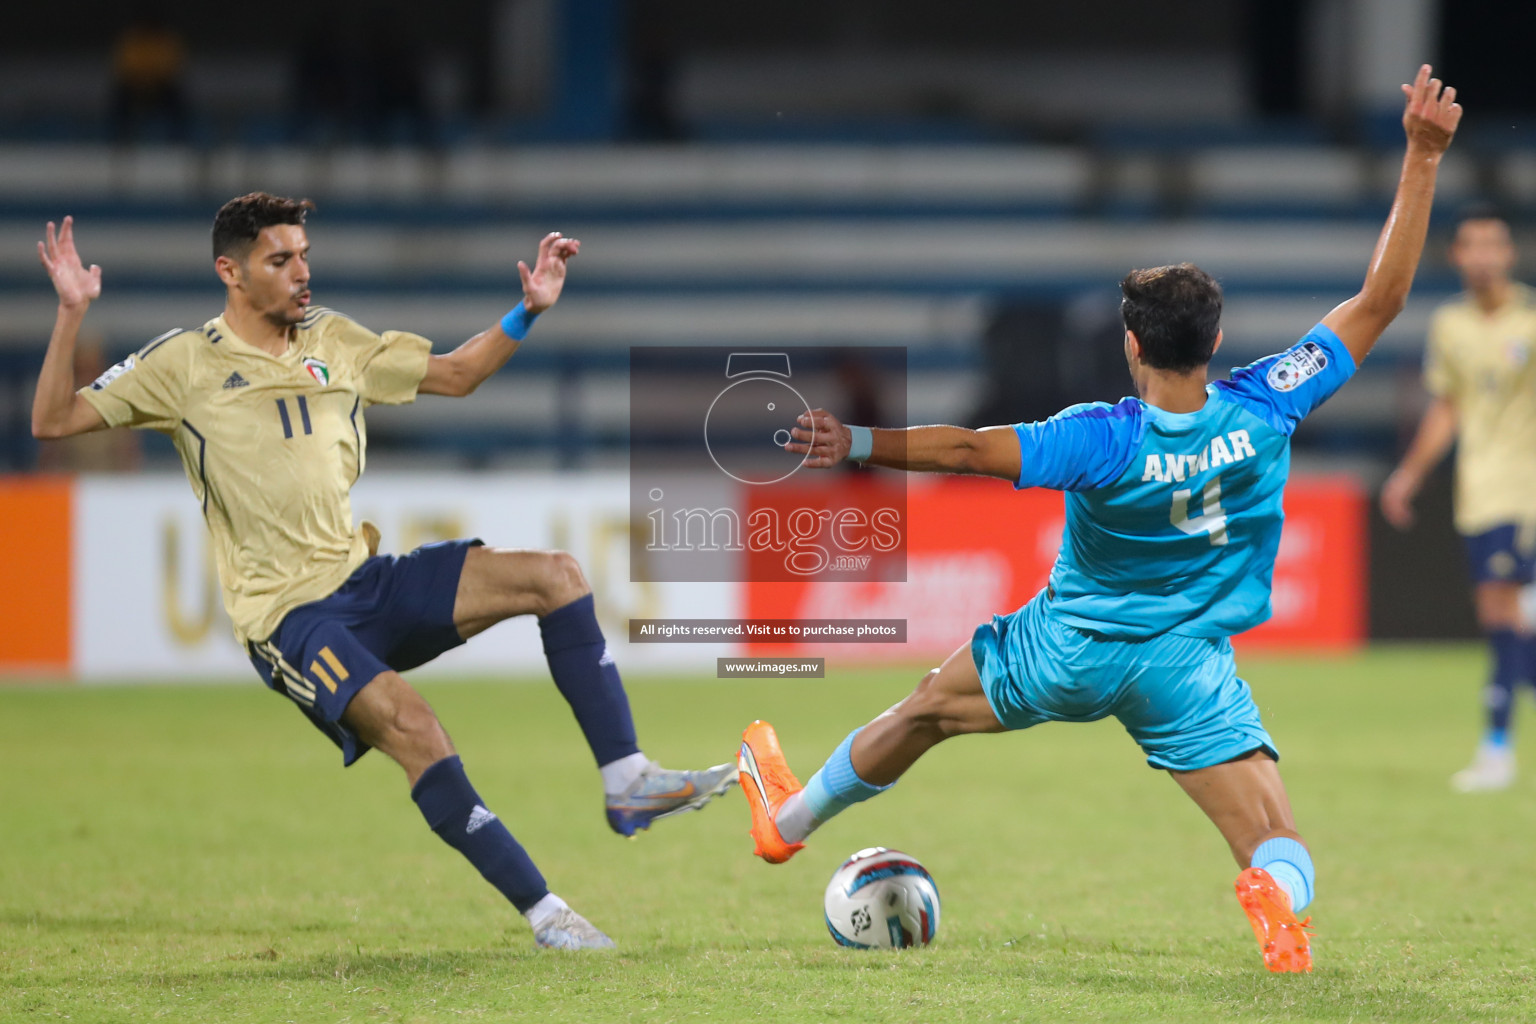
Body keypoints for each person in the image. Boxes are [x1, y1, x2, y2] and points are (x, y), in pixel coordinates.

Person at [736, 66, 1462, 974]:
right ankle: (1276, 902)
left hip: (1070, 648)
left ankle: (787, 823)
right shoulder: (1269, 404)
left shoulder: (1099, 440)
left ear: (1131, 343)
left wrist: (856, 441)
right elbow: (1381, 300)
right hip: (1185, 664)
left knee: (925, 711)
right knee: (1274, 830)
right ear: (1216, 343)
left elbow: (965, 451)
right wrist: (1423, 155)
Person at [31, 193, 735, 951]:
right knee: (418, 729)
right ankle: (547, 914)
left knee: (557, 575)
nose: (302, 271)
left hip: (365, 581)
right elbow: (53, 420)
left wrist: (527, 310)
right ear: (229, 273)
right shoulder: (182, 364)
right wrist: (71, 313)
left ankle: (626, 779)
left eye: (303, 253)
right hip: (291, 620)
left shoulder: (334, 336)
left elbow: (458, 375)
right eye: (280, 260)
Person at [1381, 208, 1536, 792]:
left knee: (1501, 612)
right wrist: (1410, 475)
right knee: (1507, 615)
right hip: (1478, 489)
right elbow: (1446, 408)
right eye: (1471, 246)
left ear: (1509, 255)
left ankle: (1497, 748)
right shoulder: (1450, 324)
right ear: (1457, 257)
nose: (1483, 256)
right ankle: (1499, 745)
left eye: (1493, 245)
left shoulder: (1531, 318)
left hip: (1524, 491)